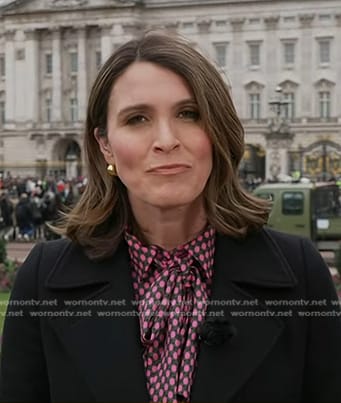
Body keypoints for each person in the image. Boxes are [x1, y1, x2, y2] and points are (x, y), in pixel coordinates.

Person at [0, 31, 340, 403]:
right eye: (137, 118)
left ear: (217, 131)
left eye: (188, 114)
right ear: (105, 145)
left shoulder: (300, 272)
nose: (165, 140)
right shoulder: (43, 277)